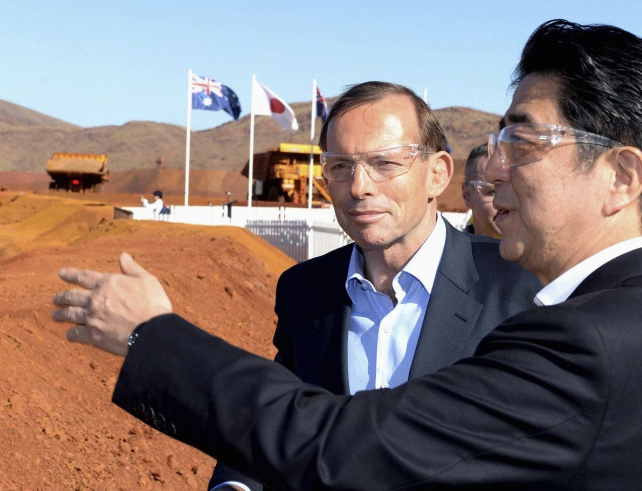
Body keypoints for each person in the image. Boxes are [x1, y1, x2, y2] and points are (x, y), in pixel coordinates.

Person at [52, 20, 642, 489]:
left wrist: (155, 335)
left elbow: (347, 444)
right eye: (341, 166)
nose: (492, 171)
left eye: (522, 142)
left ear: (621, 176)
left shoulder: (582, 342)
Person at [205, 81, 540, 490]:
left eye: (384, 163)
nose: (359, 187)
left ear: (438, 174)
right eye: (341, 166)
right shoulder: (305, 291)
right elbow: (279, 421)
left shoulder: (520, 288)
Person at [461, 143, 501, 238]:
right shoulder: (446, 252)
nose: (507, 202)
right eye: (493, 192)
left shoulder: (540, 251)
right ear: (467, 195)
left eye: (515, 191)